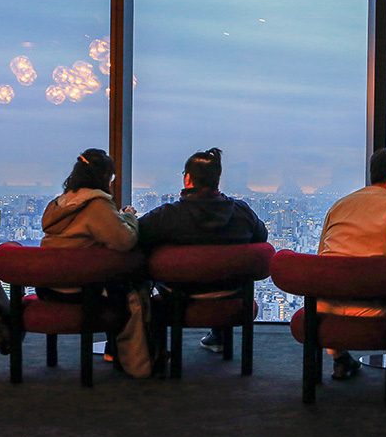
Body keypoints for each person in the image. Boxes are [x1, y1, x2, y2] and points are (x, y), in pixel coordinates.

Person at [138, 148, 268, 352]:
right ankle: (219, 336)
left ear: (188, 179)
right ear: (217, 179)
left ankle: (153, 352)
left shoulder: (167, 216)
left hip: (177, 303)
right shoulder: (242, 213)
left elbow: (135, 237)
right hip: (232, 300)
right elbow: (262, 238)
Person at [40, 148, 152, 377]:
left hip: (49, 287)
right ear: (104, 178)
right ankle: (133, 360)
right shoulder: (95, 205)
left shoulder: (58, 205)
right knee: (130, 288)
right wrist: (129, 215)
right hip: (82, 289)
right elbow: (125, 240)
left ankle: (115, 350)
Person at [317, 147, 386, 381]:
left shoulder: (339, 206)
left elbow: (321, 256)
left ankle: (340, 359)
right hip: (375, 306)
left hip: (327, 305)